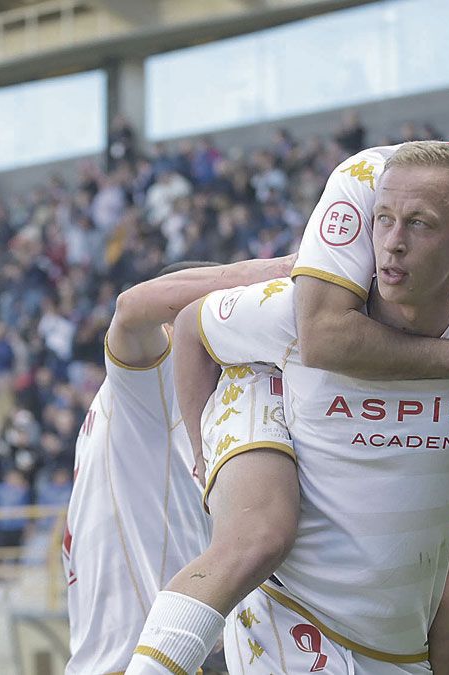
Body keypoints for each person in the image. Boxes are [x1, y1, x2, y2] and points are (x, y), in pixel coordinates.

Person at [132, 24, 449, 675]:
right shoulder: (376, 177)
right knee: (259, 537)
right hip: (276, 376)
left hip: (384, 417)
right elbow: (322, 334)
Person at [63, 257, 291, 674]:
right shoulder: (153, 382)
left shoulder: (163, 418)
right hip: (143, 661)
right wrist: (280, 272)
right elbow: (131, 309)